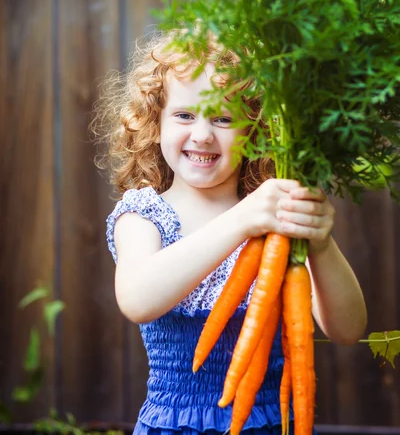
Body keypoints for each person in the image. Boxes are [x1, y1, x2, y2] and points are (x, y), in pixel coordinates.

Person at [95, 30, 367, 435]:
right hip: (175, 425)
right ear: (156, 122)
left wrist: (321, 244)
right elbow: (137, 299)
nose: (203, 134)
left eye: (223, 118)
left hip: (272, 423)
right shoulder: (144, 215)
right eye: (185, 115)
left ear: (253, 131)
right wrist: (242, 220)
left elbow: (347, 330)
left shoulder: (275, 217)